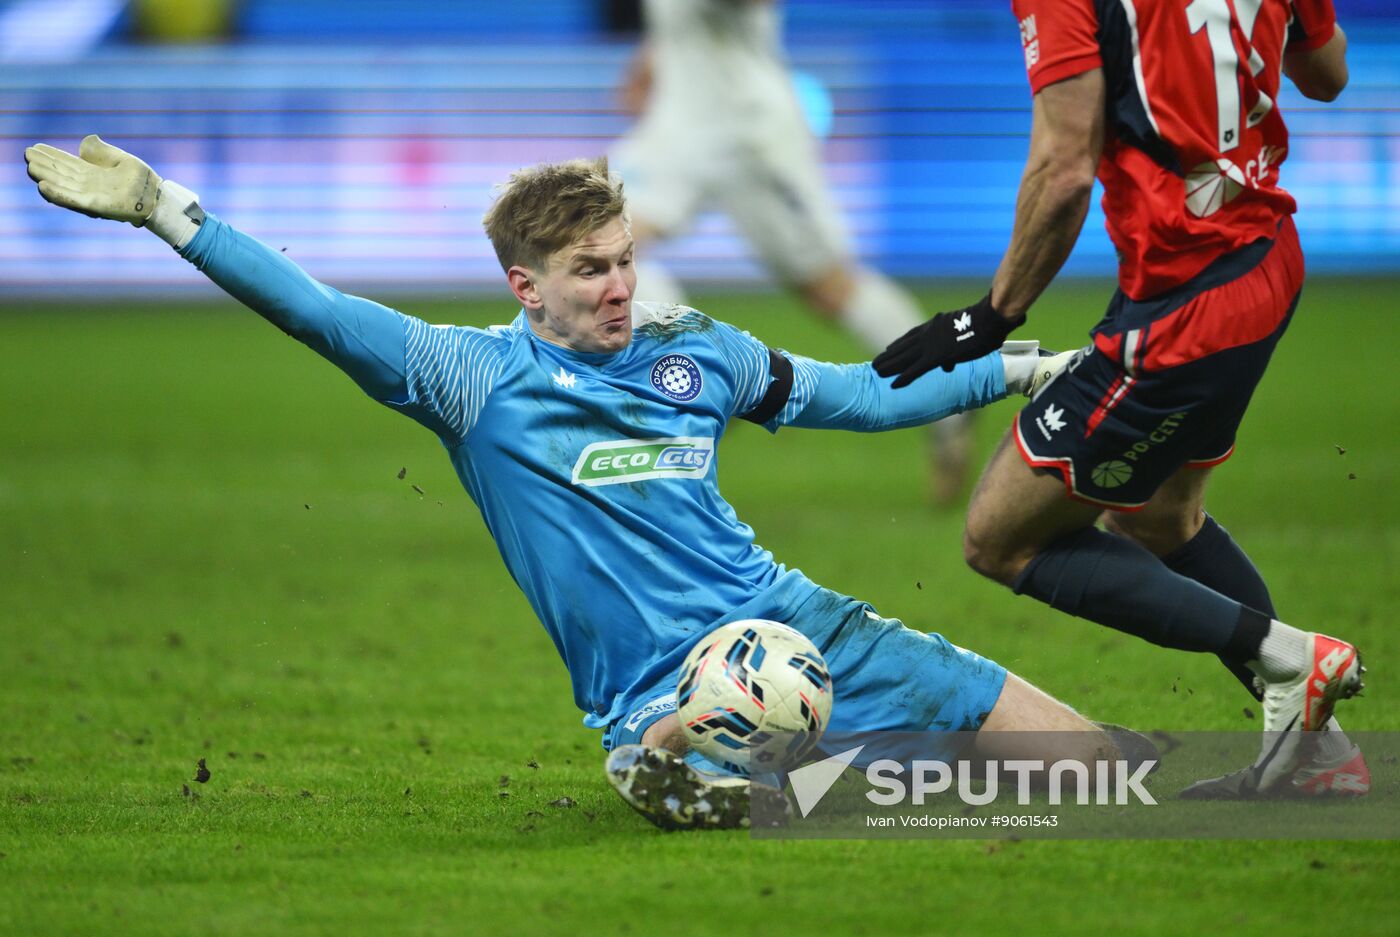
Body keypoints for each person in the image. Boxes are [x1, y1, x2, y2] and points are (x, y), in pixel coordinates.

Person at [25, 137, 1114, 831]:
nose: (619, 289)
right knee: (780, 764)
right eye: (589, 271)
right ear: (524, 286)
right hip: (656, 689)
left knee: (1092, 770)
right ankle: (688, 759)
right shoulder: (468, 379)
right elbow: (314, 309)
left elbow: (863, 395)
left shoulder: (699, 350)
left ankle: (780, 767)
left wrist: (1026, 367)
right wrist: (168, 208)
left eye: (625, 260)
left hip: (797, 627)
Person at [872, 0, 1365, 797]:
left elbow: (1064, 167)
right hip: (1267, 262)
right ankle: (1318, 755)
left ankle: (1292, 656)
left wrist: (989, 316)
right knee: (1159, 518)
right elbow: (1329, 72)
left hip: (1186, 303)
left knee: (998, 535)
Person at [611, 0, 976, 507]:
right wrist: (654, 58)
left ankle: (947, 390)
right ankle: (692, 379)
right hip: (679, 124)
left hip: (751, 131)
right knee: (603, 237)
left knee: (829, 288)